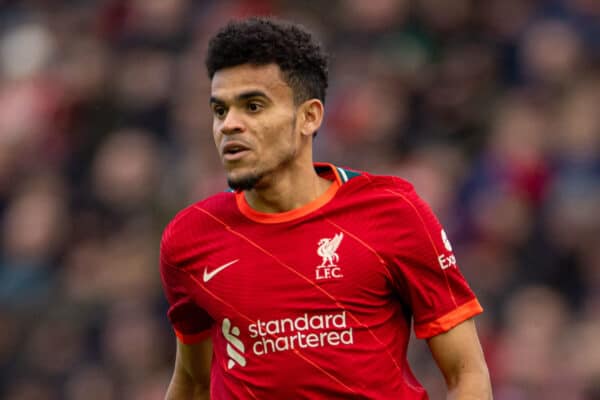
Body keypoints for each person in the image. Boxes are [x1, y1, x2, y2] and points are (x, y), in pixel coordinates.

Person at [160, 17, 492, 400]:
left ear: (310, 117)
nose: (229, 126)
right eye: (220, 111)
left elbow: (467, 373)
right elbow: (193, 382)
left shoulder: (392, 211)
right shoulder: (190, 238)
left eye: (253, 106)